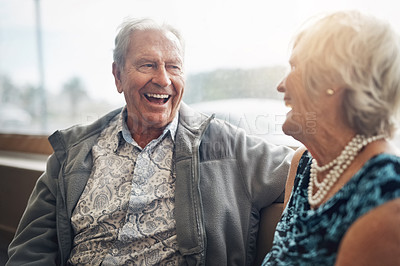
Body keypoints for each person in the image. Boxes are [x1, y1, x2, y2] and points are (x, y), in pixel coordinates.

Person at [6, 18, 293, 265]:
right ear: (118, 76)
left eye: (174, 67)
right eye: (147, 65)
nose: (163, 79)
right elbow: (30, 249)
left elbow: (311, 164)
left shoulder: (226, 145)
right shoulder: (72, 153)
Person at [262, 10, 400, 266]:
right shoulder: (304, 163)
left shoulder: (386, 190)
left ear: (332, 80)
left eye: (294, 67)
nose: (281, 85)